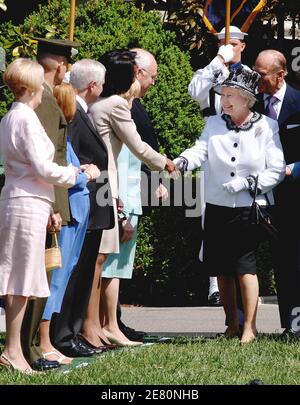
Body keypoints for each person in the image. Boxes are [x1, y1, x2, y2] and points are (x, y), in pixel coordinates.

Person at [174, 67, 286, 343]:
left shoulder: (265, 127)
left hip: (248, 207)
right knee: (221, 268)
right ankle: (232, 324)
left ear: (247, 99)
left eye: (231, 95)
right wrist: (183, 161)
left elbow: (277, 168)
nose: (225, 100)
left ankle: (250, 326)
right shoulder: (213, 123)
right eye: (223, 94)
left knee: (245, 265)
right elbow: (201, 149)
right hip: (216, 204)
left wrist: (248, 183)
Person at [88, 50, 176, 346]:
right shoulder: (117, 105)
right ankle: (102, 326)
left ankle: (99, 327)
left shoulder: (102, 103)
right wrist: (165, 163)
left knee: (100, 262)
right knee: (103, 264)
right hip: (110, 189)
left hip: (105, 188)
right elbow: (138, 148)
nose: (149, 82)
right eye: (147, 75)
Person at [0, 58, 77, 373]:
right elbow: (44, 168)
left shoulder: (11, 117)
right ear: (31, 87)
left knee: (20, 279)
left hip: (23, 199)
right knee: (20, 279)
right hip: (26, 201)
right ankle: (12, 349)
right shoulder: (26, 119)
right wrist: (74, 173)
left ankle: (14, 349)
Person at [20, 38, 81, 371]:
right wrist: (53, 206)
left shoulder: (46, 102)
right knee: (38, 278)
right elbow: (44, 159)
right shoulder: (42, 104)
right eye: (66, 65)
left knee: (41, 277)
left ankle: (31, 347)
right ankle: (29, 348)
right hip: (43, 198)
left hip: (46, 197)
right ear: (60, 65)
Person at [51, 59, 115, 356]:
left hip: (92, 202)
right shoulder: (73, 114)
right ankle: (64, 335)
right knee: (75, 273)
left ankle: (73, 332)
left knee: (84, 271)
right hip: (80, 201)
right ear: (93, 86)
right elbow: (70, 158)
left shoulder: (82, 111)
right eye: (101, 84)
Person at [39, 83, 100, 364]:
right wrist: (85, 174)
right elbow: (67, 174)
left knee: (65, 275)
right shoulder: (58, 139)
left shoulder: (67, 141)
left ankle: (48, 340)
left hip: (77, 212)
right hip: (70, 214)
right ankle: (45, 340)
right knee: (57, 278)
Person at [189, 26, 249, 307]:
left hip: (244, 152)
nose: (226, 47)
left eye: (232, 44)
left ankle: (243, 280)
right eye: (221, 43)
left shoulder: (249, 73)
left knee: (242, 221)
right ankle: (215, 284)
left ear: (242, 46)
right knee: (210, 217)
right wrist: (218, 62)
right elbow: (195, 92)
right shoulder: (210, 70)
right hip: (215, 153)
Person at [254, 50, 300, 338]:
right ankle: (291, 326)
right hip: (268, 198)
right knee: (281, 261)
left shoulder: (298, 103)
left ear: (280, 74)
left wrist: (290, 170)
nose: (256, 79)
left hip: (296, 192)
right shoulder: (253, 105)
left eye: (261, 74)